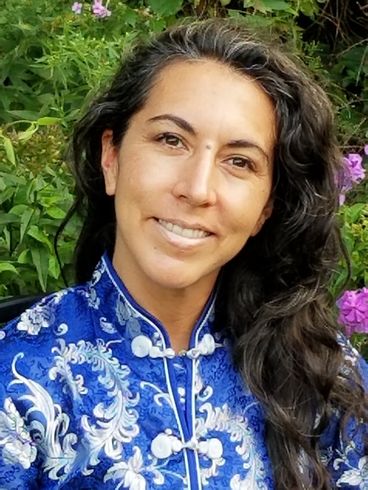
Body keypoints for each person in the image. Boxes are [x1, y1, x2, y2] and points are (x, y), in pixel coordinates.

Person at [0, 18, 367, 490]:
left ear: (266, 208)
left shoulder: (321, 371)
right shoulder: (19, 381)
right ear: (111, 158)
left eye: (240, 161)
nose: (197, 189)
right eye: (171, 140)